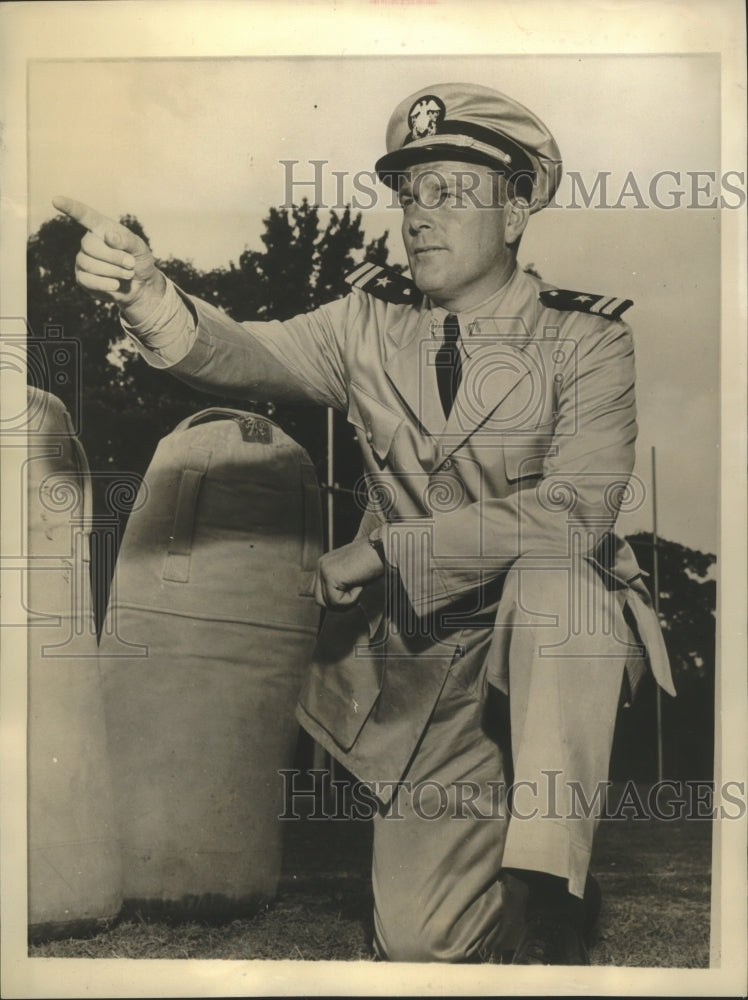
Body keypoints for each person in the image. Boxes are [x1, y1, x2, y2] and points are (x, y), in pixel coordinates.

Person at [55, 82, 674, 965]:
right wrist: (151, 295)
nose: (420, 217)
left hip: (544, 646)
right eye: (409, 193)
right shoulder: (367, 323)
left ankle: (552, 891)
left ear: (518, 208)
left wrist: (389, 545)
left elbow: (573, 514)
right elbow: (247, 351)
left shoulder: (587, 340)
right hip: (428, 669)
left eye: (452, 192)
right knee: (420, 948)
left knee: (557, 585)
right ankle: (513, 892)